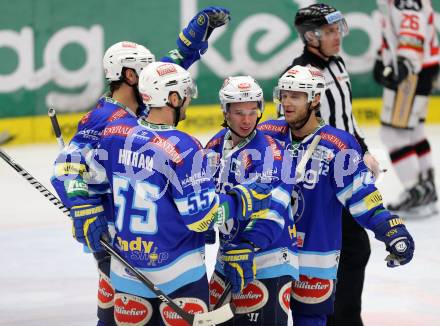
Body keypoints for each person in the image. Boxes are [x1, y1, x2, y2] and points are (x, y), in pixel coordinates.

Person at [51, 7, 231, 326]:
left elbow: (165, 77)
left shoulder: (144, 105)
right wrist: (82, 207)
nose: (151, 75)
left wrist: (189, 44)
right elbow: (67, 166)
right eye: (144, 70)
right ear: (131, 77)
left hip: (141, 237)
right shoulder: (104, 118)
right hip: (114, 236)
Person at [68, 61, 272, 325]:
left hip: (127, 271)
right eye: (185, 94)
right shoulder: (185, 147)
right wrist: (240, 200)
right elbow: (202, 218)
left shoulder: (115, 133)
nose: (188, 100)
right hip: (179, 277)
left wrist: (83, 206)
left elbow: (76, 173)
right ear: (172, 98)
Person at [259, 65, 415, 326]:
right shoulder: (266, 136)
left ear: (315, 99)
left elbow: (361, 195)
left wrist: (390, 228)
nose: (286, 102)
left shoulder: (338, 145)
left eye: (295, 96)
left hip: (314, 259)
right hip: (267, 255)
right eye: (283, 95)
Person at [282, 4, 380, 325]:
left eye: (339, 30)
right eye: (330, 31)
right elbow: (298, 126)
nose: (338, 37)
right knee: (351, 248)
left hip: (345, 164)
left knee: (351, 249)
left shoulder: (337, 64)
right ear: (311, 36)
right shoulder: (302, 74)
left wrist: (363, 151)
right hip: (324, 174)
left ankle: (341, 317)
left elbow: (347, 119)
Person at [205, 76, 299, 325]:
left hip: (269, 257)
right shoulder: (214, 146)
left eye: (252, 111)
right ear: (225, 111)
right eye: (238, 113)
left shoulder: (272, 152)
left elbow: (274, 208)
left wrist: (248, 245)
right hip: (228, 258)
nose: (247, 120)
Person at [373, 0, 439, 217]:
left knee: (393, 134)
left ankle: (415, 192)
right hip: (422, 68)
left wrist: (404, 64)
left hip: (412, 72)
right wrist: (381, 57)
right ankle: (426, 187)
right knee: (413, 132)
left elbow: (412, 28)